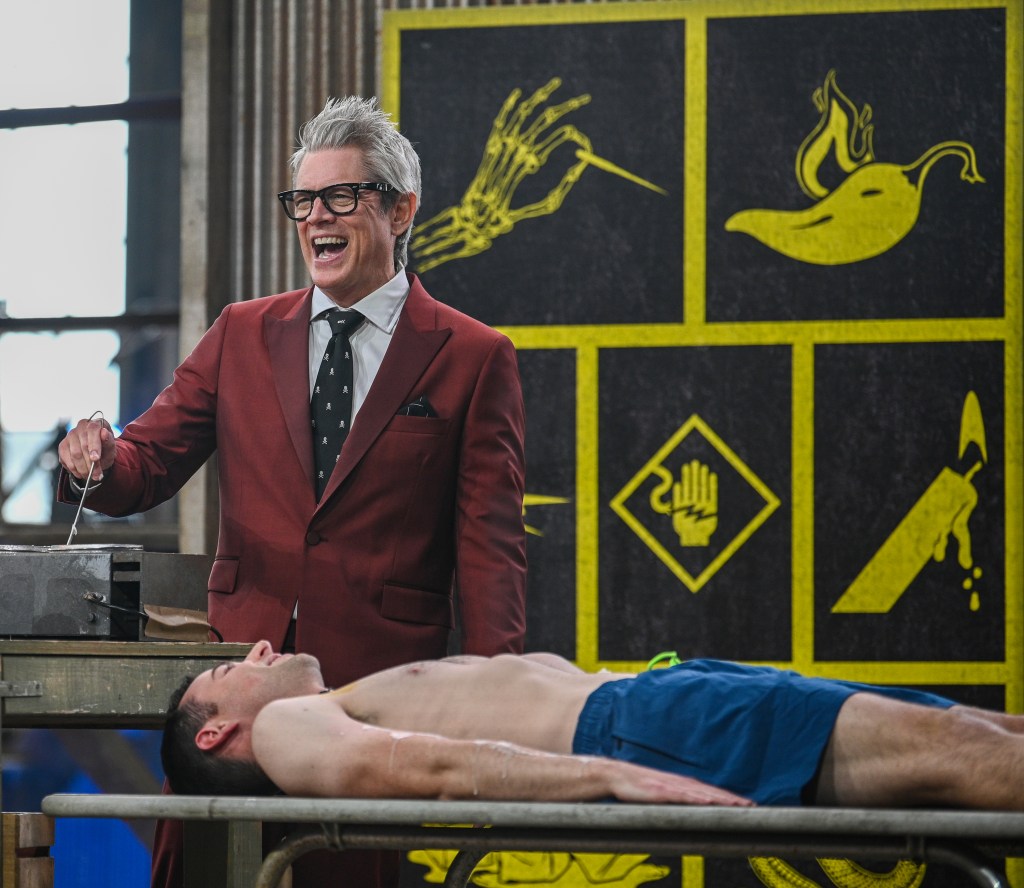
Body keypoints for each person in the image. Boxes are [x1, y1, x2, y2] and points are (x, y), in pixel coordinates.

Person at [58, 96, 528, 888]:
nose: (316, 218)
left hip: (376, 692)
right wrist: (93, 461)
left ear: (401, 210)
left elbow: (491, 551)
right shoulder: (241, 333)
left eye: (340, 196)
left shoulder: (473, 356)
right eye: (303, 200)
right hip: (238, 690)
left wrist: (500, 698)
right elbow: (148, 462)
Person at [165, 640, 1024, 812]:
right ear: (216, 733)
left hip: (660, 701)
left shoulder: (329, 704)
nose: (257, 648)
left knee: (982, 733)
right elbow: (427, 768)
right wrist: (605, 775)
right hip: (636, 726)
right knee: (964, 753)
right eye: (229, 671)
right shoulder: (286, 729)